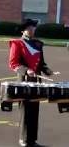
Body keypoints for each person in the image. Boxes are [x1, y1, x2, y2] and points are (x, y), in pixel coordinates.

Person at [9, 19, 54, 147]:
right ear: (23, 30)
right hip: (23, 81)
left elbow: (41, 63)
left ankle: (32, 140)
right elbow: (13, 63)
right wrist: (26, 70)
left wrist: (47, 70)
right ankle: (24, 140)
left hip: (36, 81)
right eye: (29, 28)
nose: (32, 30)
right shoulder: (17, 43)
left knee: (34, 110)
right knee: (25, 110)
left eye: (33, 28)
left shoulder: (38, 44)